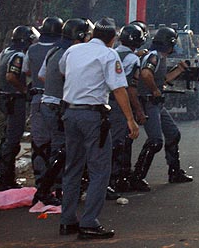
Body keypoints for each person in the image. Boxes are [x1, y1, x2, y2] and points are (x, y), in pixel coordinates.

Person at [58, 17, 139, 239]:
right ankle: (89, 222)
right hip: (93, 116)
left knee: (72, 168)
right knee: (99, 170)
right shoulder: (108, 54)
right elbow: (119, 89)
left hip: (70, 113)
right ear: (112, 39)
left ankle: (67, 221)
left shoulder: (73, 51)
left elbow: (62, 71)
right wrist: (130, 120)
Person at [34, 18, 93, 206]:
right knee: (62, 150)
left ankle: (51, 187)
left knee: (57, 147)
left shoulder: (54, 50)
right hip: (59, 106)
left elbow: (42, 75)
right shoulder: (71, 53)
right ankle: (48, 190)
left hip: (46, 102)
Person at [130, 26, 193, 192]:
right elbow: (146, 75)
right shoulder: (153, 56)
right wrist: (154, 90)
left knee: (173, 134)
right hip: (149, 102)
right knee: (155, 141)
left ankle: (174, 172)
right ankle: (137, 177)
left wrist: (179, 70)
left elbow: (162, 79)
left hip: (156, 104)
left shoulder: (159, 57)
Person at [22, 16, 63, 205]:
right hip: (57, 100)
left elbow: (28, 72)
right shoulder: (62, 51)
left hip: (37, 99)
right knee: (58, 144)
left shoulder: (32, 49)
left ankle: (40, 184)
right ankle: (56, 185)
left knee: (39, 144)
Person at [0, 26, 40, 191]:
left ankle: (5, 176)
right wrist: (24, 90)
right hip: (15, 99)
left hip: (5, 98)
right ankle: (5, 179)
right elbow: (11, 76)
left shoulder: (5, 52)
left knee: (8, 138)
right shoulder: (19, 55)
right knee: (13, 139)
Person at [108, 24, 147, 194]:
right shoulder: (133, 59)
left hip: (103, 102)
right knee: (121, 141)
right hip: (119, 103)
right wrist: (137, 111)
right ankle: (116, 178)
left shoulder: (112, 53)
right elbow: (131, 88)